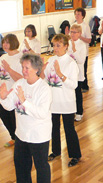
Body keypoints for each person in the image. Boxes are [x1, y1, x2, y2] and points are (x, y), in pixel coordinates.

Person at [0, 53, 52, 183]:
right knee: (20, 162)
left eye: (27, 67)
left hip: (39, 134)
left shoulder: (44, 88)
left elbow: (41, 114)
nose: (24, 70)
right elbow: (9, 106)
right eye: (23, 67)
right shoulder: (19, 83)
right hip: (21, 132)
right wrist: (3, 97)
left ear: (36, 69)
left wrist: (24, 102)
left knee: (41, 166)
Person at [42, 34, 82, 167]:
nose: (55, 48)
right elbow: (44, 80)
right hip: (53, 102)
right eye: (54, 45)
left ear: (66, 46)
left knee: (69, 129)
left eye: (58, 45)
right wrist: (42, 71)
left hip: (66, 102)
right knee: (53, 127)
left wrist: (60, 74)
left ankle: (75, 155)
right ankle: (55, 151)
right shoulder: (51, 60)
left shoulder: (70, 63)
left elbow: (74, 85)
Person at [0, 34, 23, 147]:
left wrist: (9, 70)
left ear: (14, 43)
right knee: (4, 116)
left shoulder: (21, 58)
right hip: (1, 94)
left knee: (14, 119)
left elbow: (22, 78)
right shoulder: (2, 57)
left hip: (14, 95)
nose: (5, 45)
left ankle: (20, 139)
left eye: (8, 42)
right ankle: (13, 137)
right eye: (4, 42)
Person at [68, 24, 87, 122]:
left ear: (79, 33)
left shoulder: (82, 45)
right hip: (68, 74)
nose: (72, 34)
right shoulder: (67, 43)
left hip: (78, 74)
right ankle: (71, 111)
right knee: (69, 93)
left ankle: (79, 112)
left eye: (74, 32)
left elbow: (81, 61)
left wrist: (74, 50)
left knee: (77, 93)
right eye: (71, 32)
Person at [74, 7, 92, 92]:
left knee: (83, 69)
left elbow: (89, 40)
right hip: (74, 52)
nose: (76, 16)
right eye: (76, 14)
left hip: (83, 52)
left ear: (82, 16)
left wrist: (80, 36)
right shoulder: (73, 25)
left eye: (78, 14)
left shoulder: (85, 26)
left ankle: (84, 86)